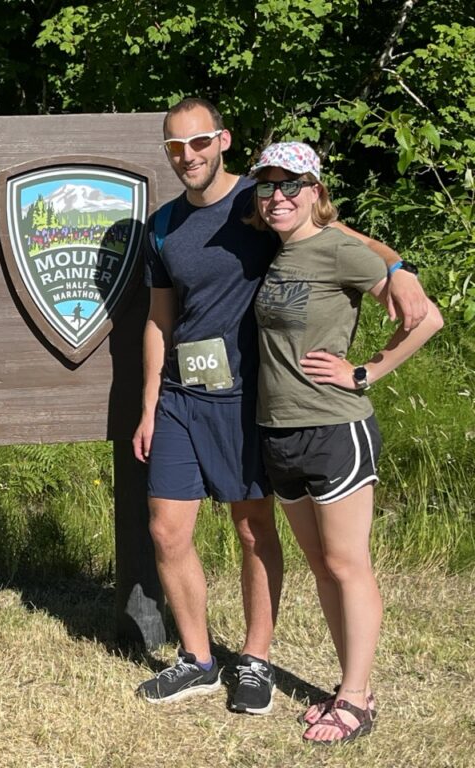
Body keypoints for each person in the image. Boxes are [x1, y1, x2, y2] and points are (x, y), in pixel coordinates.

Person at [133, 98, 429, 714]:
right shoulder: (162, 226)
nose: (188, 156)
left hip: (249, 398)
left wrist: (396, 266)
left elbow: (328, 229)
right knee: (166, 530)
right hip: (182, 399)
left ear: (223, 141)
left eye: (199, 143)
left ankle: (256, 661)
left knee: (252, 529)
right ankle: (198, 661)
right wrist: (147, 404)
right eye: (175, 147)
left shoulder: (260, 198)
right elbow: (160, 321)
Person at [247, 142, 441, 743]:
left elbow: (427, 318)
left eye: (292, 185)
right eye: (268, 186)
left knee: (346, 564)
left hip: (335, 428)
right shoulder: (277, 251)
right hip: (280, 431)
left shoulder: (337, 251)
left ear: (316, 190)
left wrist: (365, 372)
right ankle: (347, 685)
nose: (278, 196)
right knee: (321, 566)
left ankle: (356, 699)